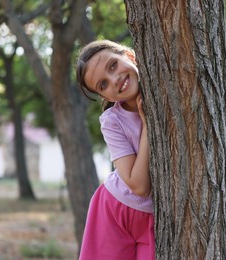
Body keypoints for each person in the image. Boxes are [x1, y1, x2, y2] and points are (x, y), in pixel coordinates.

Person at [75, 40, 154, 260]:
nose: (115, 79)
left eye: (113, 65)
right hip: (114, 211)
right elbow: (139, 186)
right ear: (106, 97)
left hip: (157, 215)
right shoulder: (112, 121)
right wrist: (147, 125)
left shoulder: (167, 93)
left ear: (129, 56)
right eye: (103, 85)